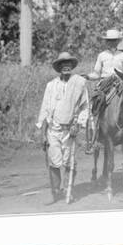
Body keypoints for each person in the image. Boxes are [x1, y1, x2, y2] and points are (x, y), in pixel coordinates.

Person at [36, 52, 89, 203]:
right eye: (62, 64)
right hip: (53, 129)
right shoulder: (51, 85)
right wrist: (43, 134)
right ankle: (56, 190)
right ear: (59, 67)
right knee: (54, 161)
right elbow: (45, 109)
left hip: (69, 130)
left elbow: (85, 107)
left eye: (69, 64)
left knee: (69, 162)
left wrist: (78, 124)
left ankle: (67, 189)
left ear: (72, 66)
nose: (66, 66)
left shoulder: (79, 83)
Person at [84, 29, 123, 153]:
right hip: (105, 85)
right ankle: (95, 138)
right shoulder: (102, 55)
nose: (112, 43)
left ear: (118, 41)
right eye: (110, 41)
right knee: (96, 104)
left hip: (119, 83)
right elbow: (97, 73)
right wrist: (88, 77)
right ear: (107, 42)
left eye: (114, 41)